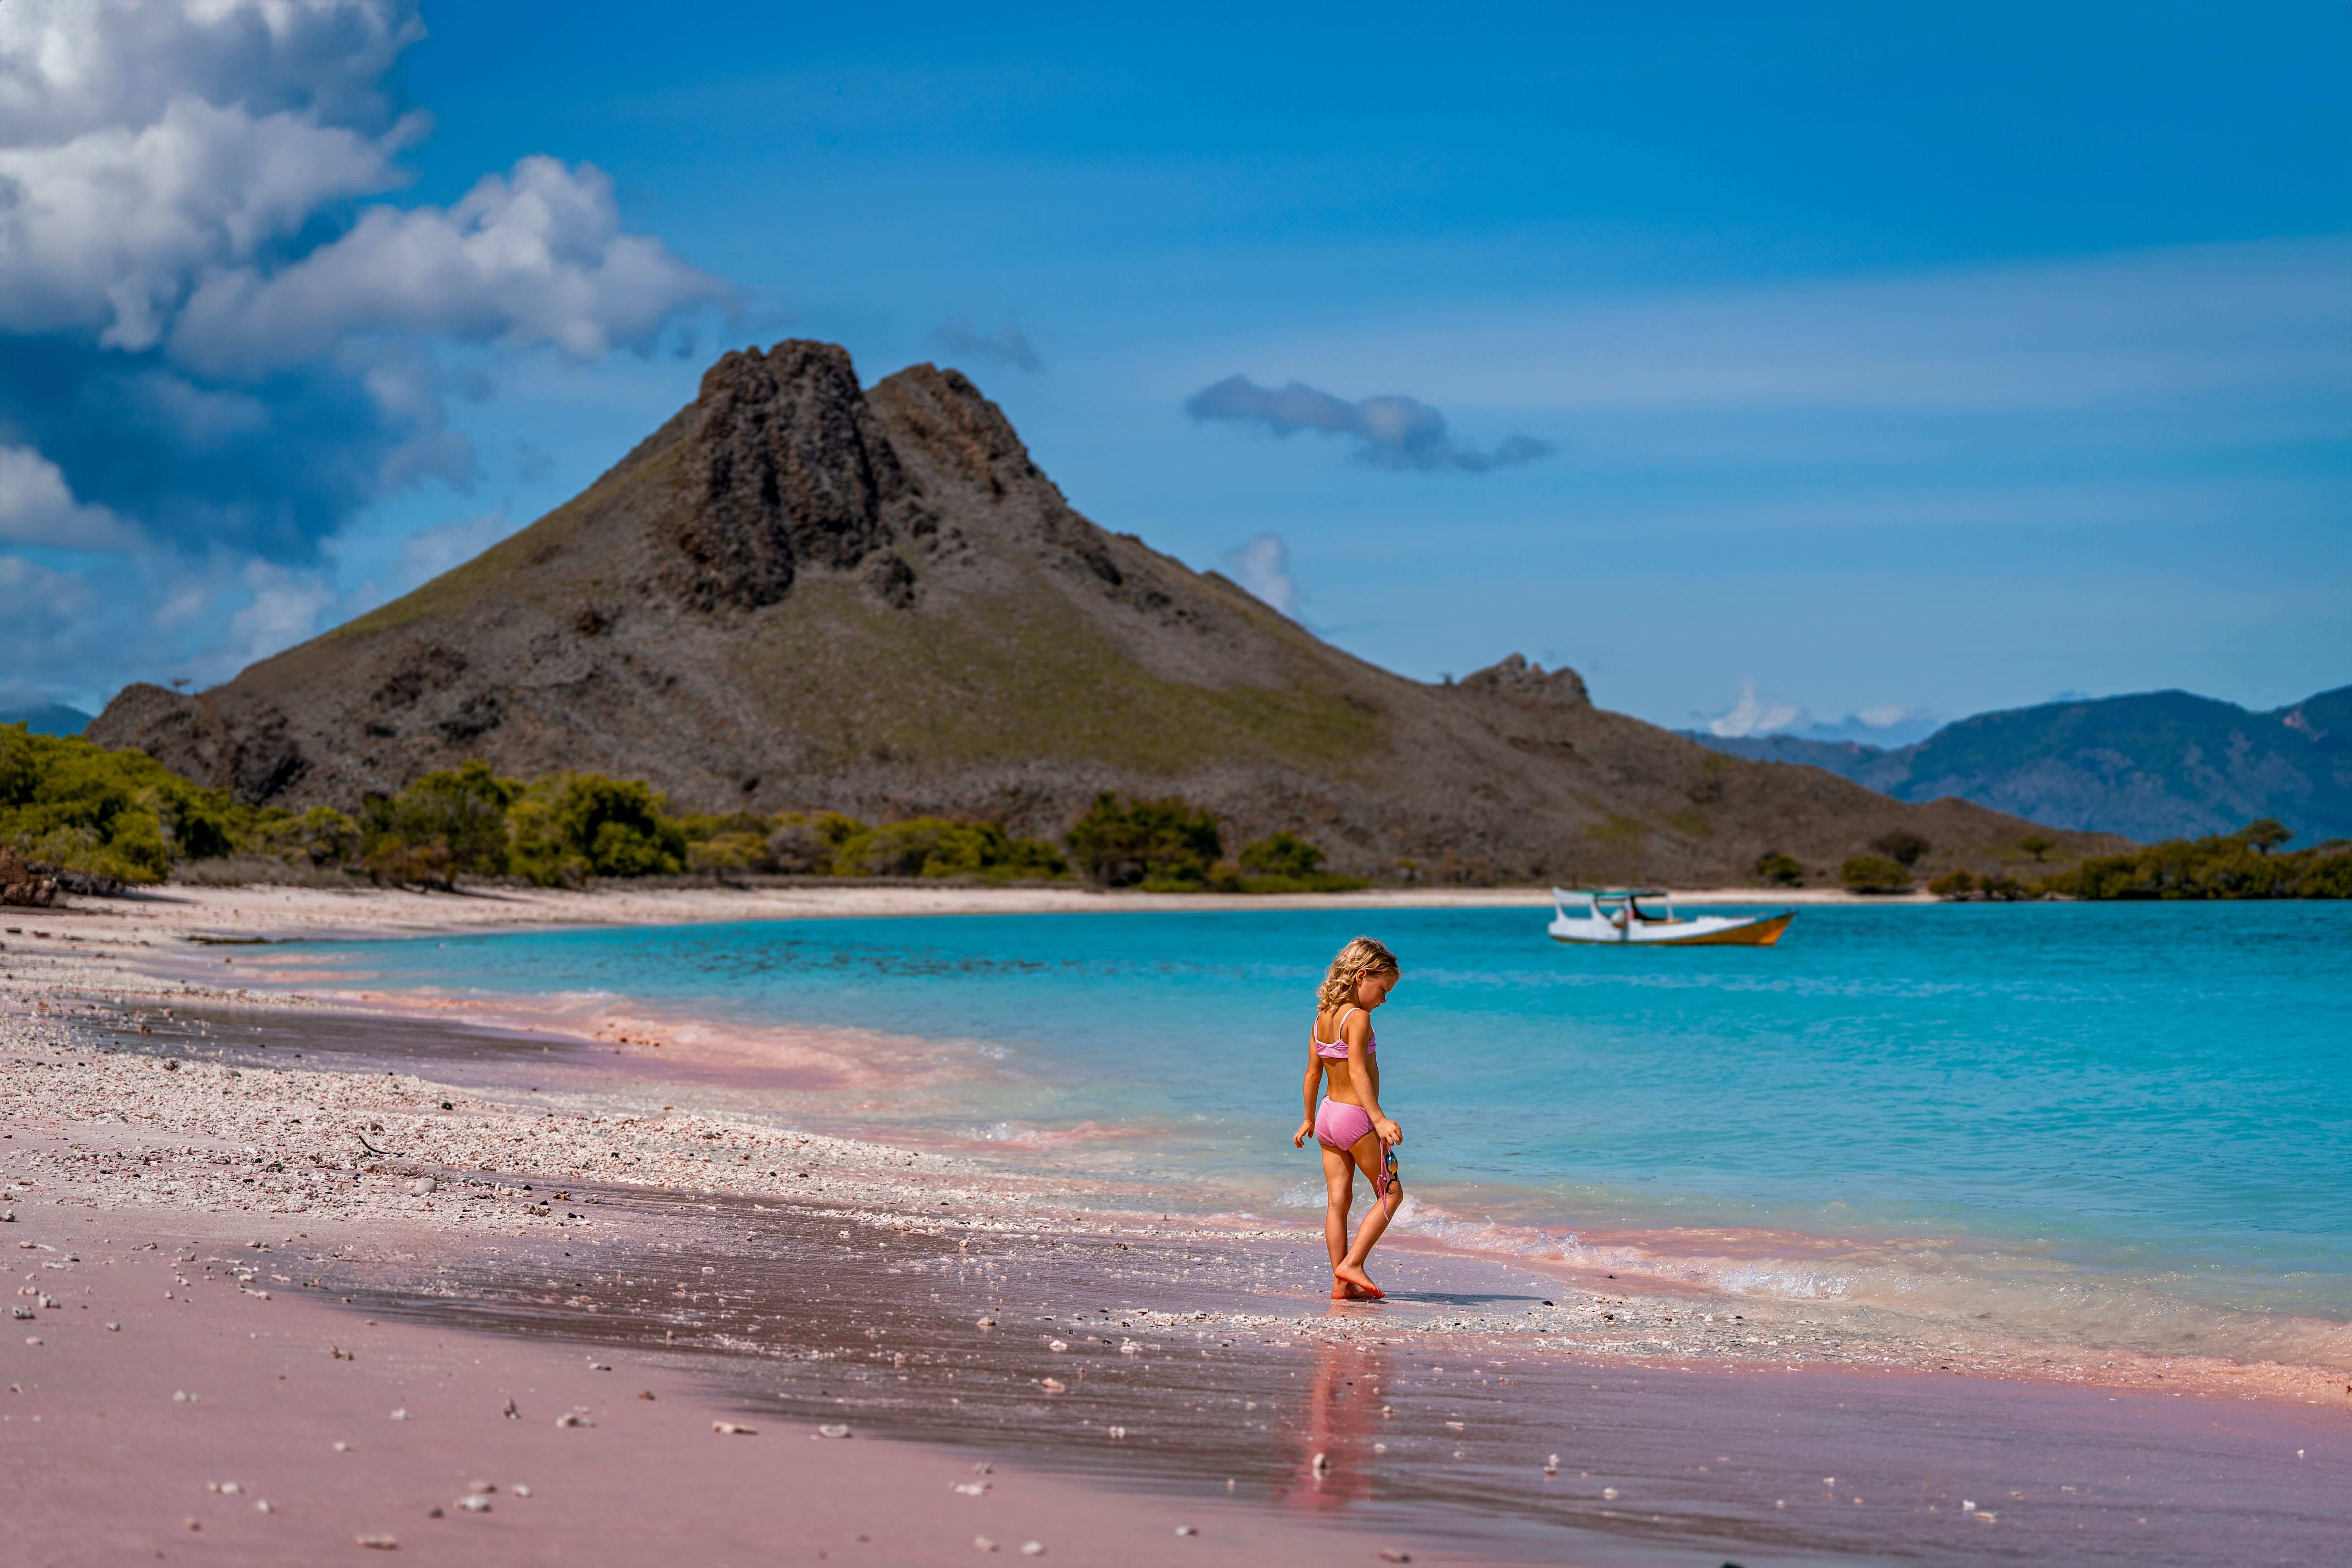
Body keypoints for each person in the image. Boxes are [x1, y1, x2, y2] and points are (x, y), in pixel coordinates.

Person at [1292, 935, 1404, 1300]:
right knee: (1391, 1194)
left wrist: (1308, 1119)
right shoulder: (1359, 1018)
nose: (1384, 998)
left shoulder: (1321, 1017)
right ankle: (1353, 1264)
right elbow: (1358, 1072)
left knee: (1338, 1203)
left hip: (1327, 1116)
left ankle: (1342, 1284)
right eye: (1383, 988)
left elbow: (1312, 1073)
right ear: (1361, 976)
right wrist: (1381, 1120)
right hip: (1356, 1118)